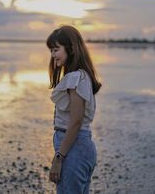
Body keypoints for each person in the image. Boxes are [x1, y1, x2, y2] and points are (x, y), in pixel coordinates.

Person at [46, 25, 102, 193]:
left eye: (56, 49)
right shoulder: (79, 76)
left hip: (74, 148)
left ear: (70, 49)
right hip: (78, 146)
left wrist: (58, 157)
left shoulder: (76, 78)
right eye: (51, 50)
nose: (52, 55)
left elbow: (76, 122)